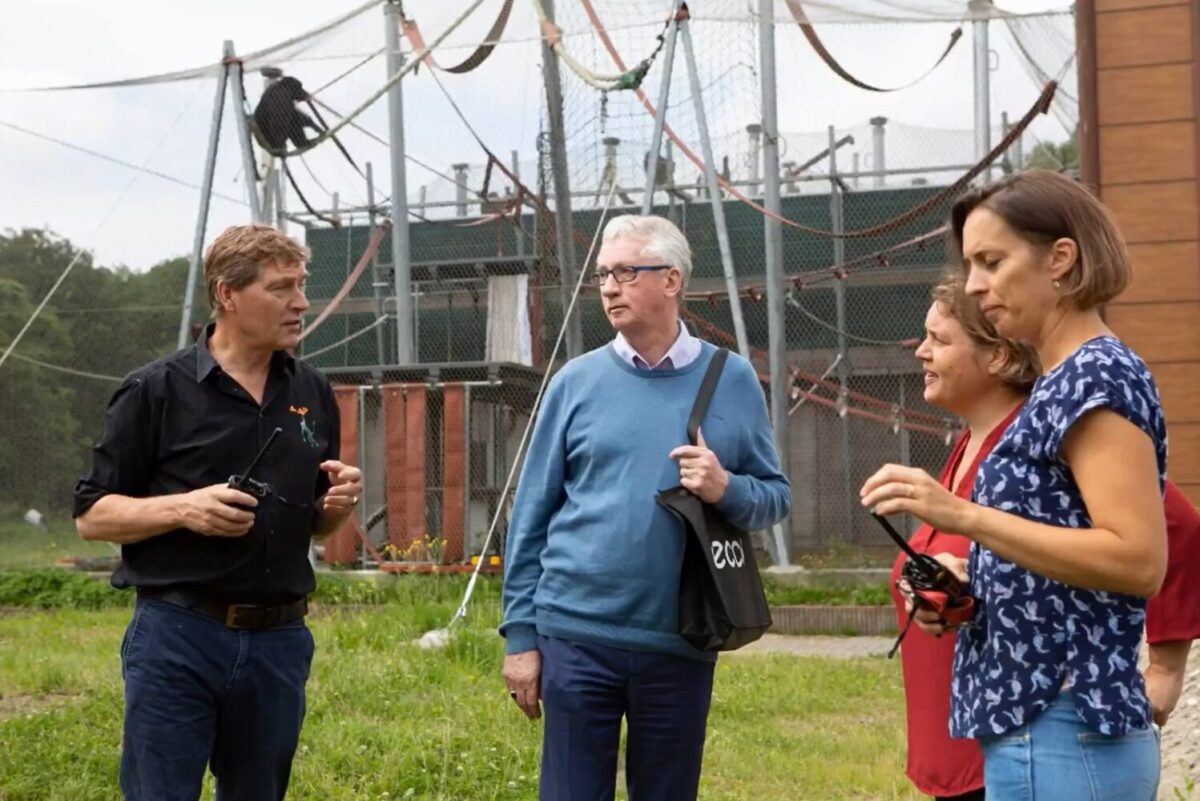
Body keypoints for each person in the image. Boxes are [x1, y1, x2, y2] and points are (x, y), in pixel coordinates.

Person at [861, 170, 1168, 800]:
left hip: (1064, 729)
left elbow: (1137, 559)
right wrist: (977, 583)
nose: (975, 285)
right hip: (1042, 730)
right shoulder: (1065, 379)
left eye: (992, 262)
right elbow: (1069, 550)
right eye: (971, 264)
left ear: (1060, 259)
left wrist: (964, 517)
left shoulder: (1095, 376)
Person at [499, 214, 790, 801]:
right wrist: (520, 638)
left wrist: (724, 487)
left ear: (672, 280)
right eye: (604, 274)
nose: (609, 286)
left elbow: (774, 497)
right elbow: (529, 517)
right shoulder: (573, 384)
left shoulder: (730, 380)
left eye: (627, 272)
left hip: (679, 641)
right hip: (575, 636)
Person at [73, 224, 363, 801]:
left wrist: (336, 507)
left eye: (301, 285)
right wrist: (186, 508)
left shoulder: (313, 390)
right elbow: (92, 515)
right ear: (228, 295)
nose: (301, 303)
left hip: (279, 641)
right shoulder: (155, 390)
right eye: (281, 288)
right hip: (178, 635)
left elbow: (317, 523)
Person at [890, 274, 1200, 801]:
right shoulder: (971, 445)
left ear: (999, 356)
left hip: (1026, 736)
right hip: (970, 736)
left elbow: (1173, 524)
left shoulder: (1042, 438)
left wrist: (1165, 669)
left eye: (940, 341)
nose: (921, 352)